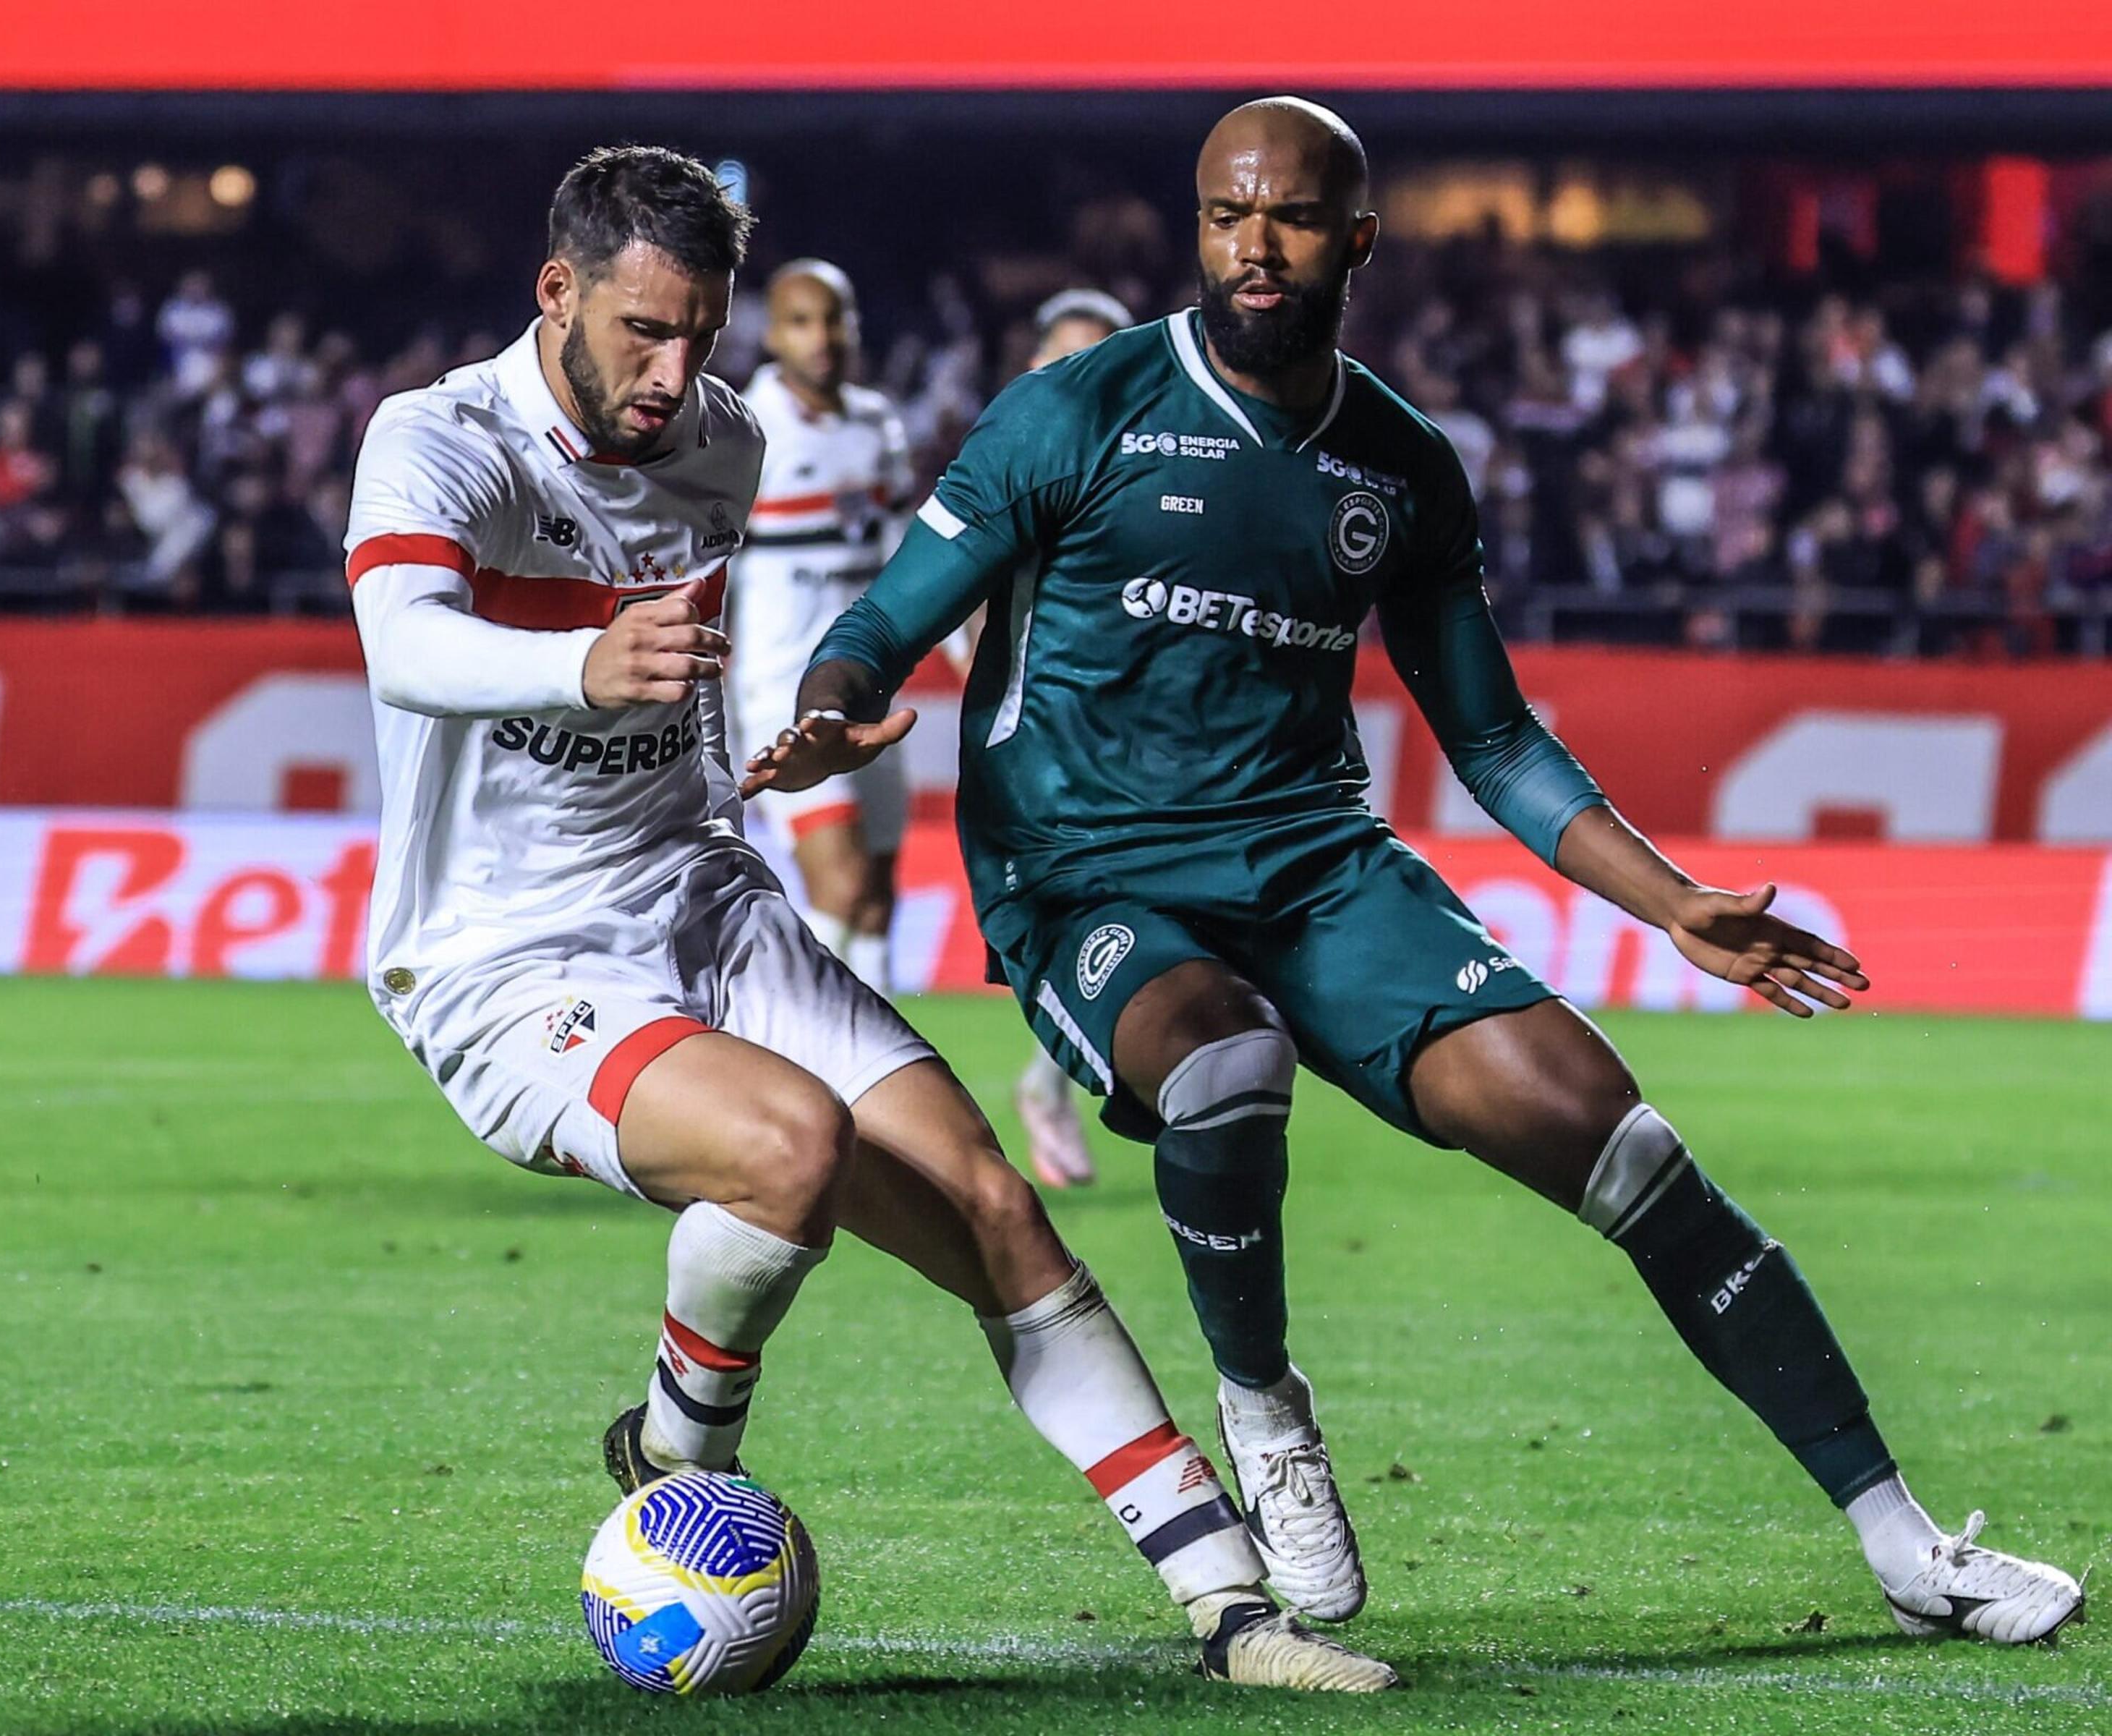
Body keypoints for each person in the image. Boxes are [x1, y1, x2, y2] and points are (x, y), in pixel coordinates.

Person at [752, 98, 2082, 1645]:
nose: (1254, 246)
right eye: (1224, 213)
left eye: (1294, 218)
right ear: (1193, 227)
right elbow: (881, 622)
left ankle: (1908, 1547)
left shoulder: (1399, 464)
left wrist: (1675, 907)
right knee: (1227, 1061)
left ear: (1356, 239)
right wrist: (836, 713)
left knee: (1621, 1144)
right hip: (1088, 868)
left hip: (1318, 864)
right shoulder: (1073, 414)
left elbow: (1496, 738)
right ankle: (1265, 1415)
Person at [348, 144, 1395, 1691]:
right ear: (555, 292)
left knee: (994, 1204)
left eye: (703, 330)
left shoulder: (723, 442)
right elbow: (401, 641)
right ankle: (679, 1458)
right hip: (509, 955)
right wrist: (581, 667)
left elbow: (682, 691)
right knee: (788, 1150)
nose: (678, 368)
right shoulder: (441, 441)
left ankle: (1233, 1610)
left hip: (703, 895)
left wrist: (783, 754)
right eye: (643, 329)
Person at [728, 260, 916, 995]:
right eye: (802, 321)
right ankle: (816, 1051)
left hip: (869, 681)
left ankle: (880, 1088)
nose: (822, 338)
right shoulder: (744, 429)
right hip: (782, 688)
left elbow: (903, 547)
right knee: (837, 886)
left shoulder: (877, 422)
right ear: (773, 334)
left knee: (874, 898)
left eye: (834, 319)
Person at [1007, 289, 1139, 1191]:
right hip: (1045, 724)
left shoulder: (1149, 467)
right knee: (1097, 898)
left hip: (1131, 719)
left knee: (1125, 900)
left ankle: (1059, 1076)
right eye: (1066, 359)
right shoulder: (1016, 459)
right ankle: (1058, 1079)